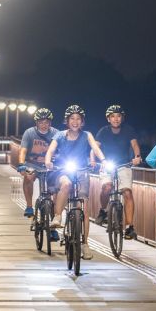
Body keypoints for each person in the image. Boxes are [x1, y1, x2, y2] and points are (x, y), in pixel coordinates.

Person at [44, 105, 106, 259]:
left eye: (78, 119)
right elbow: (50, 150)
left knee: (83, 206)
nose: (75, 121)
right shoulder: (60, 135)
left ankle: (85, 243)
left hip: (82, 171)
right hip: (63, 170)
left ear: (82, 122)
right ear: (67, 121)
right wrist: (47, 161)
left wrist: (103, 160)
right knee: (66, 185)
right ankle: (57, 216)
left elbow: (95, 148)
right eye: (72, 118)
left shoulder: (86, 135)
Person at [94, 104, 142, 239]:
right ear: (108, 119)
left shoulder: (129, 130)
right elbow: (95, 148)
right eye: (113, 116)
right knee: (106, 187)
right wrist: (93, 160)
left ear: (122, 118)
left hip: (124, 164)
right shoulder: (103, 131)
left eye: (119, 116)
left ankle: (129, 226)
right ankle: (103, 211)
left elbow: (135, 145)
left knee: (127, 192)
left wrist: (137, 157)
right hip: (106, 164)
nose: (116, 119)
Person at [17, 108, 59, 217]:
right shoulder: (29, 133)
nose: (44, 125)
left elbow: (62, 150)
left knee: (56, 187)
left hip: (50, 165)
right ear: (36, 123)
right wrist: (21, 164)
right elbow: (23, 150)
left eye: (46, 122)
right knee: (28, 178)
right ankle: (29, 206)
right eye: (41, 122)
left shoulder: (56, 133)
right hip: (32, 164)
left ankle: (54, 219)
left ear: (50, 122)